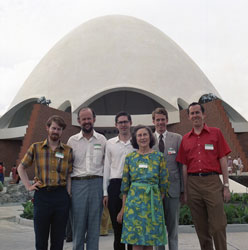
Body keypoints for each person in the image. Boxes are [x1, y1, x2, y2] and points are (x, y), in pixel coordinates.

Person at [176, 102, 231, 250]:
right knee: (201, 227)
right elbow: (184, 167)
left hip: (212, 181)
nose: (195, 116)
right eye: (192, 113)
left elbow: (223, 159)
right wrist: (186, 192)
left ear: (204, 114)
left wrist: (226, 186)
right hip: (193, 183)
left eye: (197, 112)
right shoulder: (185, 139)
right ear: (188, 117)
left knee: (218, 224)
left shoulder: (216, 133)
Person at [17, 115, 73, 250]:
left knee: (58, 240)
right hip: (42, 196)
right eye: (53, 128)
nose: (56, 131)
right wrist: (28, 186)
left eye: (59, 129)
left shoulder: (67, 151)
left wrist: (68, 194)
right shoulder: (36, 148)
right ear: (47, 128)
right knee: (41, 240)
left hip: (61, 197)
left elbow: (69, 174)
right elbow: (21, 167)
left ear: (61, 131)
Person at [117, 125, 169, 250]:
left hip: (152, 203)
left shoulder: (159, 157)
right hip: (134, 204)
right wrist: (123, 209)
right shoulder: (130, 158)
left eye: (145, 134)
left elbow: (164, 183)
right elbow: (125, 186)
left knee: (150, 241)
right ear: (135, 139)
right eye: (139, 135)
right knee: (136, 242)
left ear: (150, 137)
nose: (142, 138)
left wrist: (156, 203)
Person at [67, 107, 106, 250]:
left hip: (97, 184)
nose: (87, 121)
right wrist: (69, 190)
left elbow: (105, 165)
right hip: (78, 186)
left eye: (89, 118)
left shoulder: (102, 140)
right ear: (79, 121)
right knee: (78, 226)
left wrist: (105, 191)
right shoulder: (72, 141)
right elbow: (68, 168)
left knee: (94, 227)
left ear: (94, 119)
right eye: (83, 119)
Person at [152, 107, 183, 250]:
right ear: (153, 122)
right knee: (158, 229)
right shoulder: (149, 139)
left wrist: (183, 190)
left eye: (162, 120)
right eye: (157, 120)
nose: (160, 123)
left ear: (167, 121)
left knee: (173, 229)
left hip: (173, 190)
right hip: (155, 191)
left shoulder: (177, 139)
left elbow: (181, 166)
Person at [103, 111, 134, 250]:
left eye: (125, 122)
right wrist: (105, 192)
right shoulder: (110, 143)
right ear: (116, 125)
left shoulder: (137, 142)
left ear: (130, 123)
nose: (123, 125)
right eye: (120, 122)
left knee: (132, 228)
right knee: (118, 229)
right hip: (115, 185)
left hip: (134, 186)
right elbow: (106, 167)